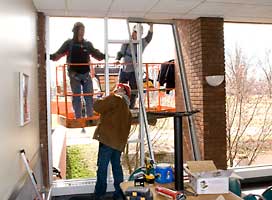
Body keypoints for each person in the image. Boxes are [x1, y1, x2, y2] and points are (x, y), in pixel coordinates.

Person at [50, 22, 105, 119]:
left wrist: (104, 56)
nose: (82, 32)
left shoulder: (87, 44)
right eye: (80, 30)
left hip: (86, 74)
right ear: (75, 31)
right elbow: (59, 53)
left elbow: (95, 53)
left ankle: (89, 118)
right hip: (74, 74)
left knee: (88, 96)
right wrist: (50, 57)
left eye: (83, 30)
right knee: (76, 97)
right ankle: (78, 118)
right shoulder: (69, 44)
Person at [93, 83, 132, 200]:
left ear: (123, 92)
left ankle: (99, 194)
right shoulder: (127, 108)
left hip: (108, 141)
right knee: (116, 167)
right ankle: (120, 194)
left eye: (120, 88)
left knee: (102, 167)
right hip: (118, 143)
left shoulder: (116, 99)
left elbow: (97, 107)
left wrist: (107, 97)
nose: (117, 89)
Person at [115, 23, 153, 109]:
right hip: (124, 69)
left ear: (139, 34)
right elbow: (121, 52)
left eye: (136, 32)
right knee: (121, 88)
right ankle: (121, 107)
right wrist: (117, 59)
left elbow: (149, 37)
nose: (133, 34)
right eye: (133, 32)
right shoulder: (127, 42)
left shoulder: (142, 42)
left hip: (134, 71)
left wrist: (151, 26)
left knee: (133, 90)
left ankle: (130, 107)